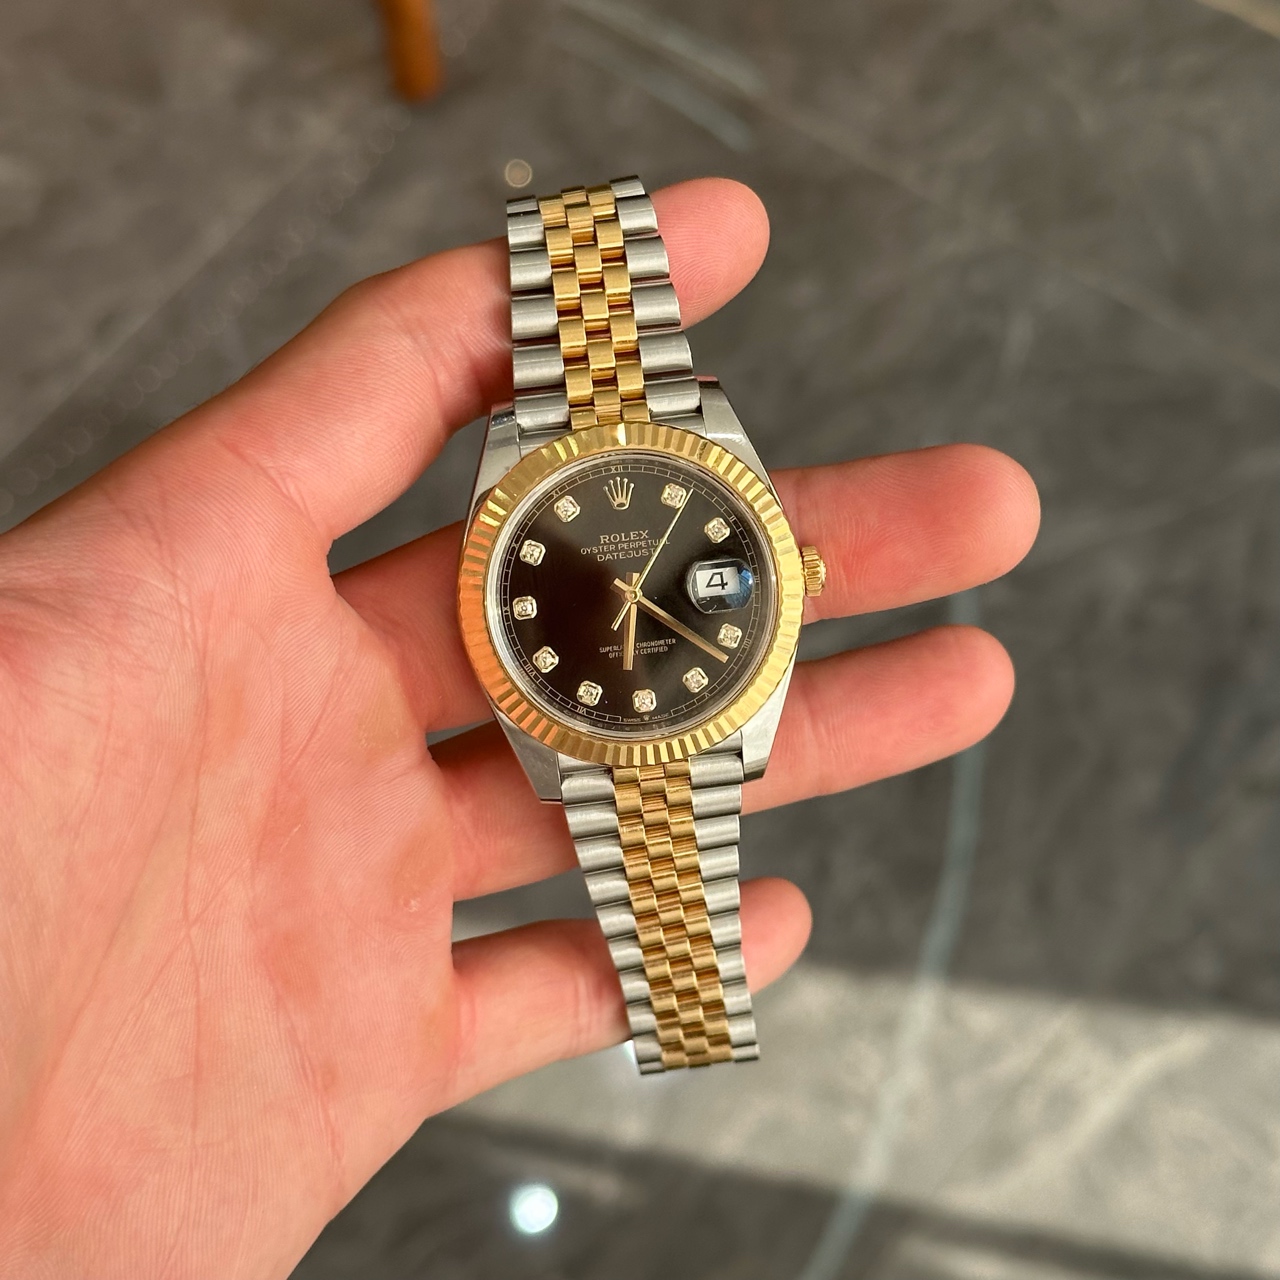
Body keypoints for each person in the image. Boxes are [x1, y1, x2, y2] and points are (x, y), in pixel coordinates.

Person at [0, 179, 1039, 1277]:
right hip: (609, 700)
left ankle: (683, 1004)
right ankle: (682, 1002)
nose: (628, 594)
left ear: (794, 570)